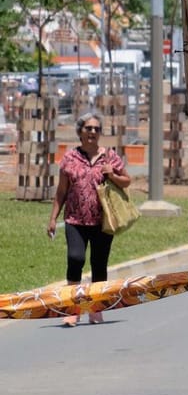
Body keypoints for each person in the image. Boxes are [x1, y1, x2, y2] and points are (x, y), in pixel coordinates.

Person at [45, 113, 131, 328]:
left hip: (103, 221)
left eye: (96, 129)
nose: (92, 132)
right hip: (75, 220)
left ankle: (96, 309)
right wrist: (53, 218)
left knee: (99, 265)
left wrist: (112, 174)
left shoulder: (110, 157)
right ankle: (73, 309)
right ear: (80, 132)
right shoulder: (69, 159)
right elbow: (61, 192)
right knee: (75, 259)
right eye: (88, 128)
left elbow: (126, 181)